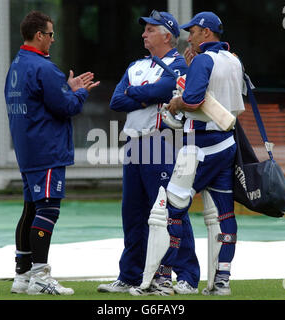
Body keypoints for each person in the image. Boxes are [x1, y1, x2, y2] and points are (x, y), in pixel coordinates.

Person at [133, 11, 245, 296]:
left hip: (200, 145)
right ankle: (222, 281)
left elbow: (194, 101)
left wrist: (175, 103)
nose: (189, 36)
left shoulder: (204, 60)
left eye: (193, 31)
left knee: (169, 209)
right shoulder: (233, 59)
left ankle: (161, 280)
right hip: (227, 144)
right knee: (223, 213)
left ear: (206, 33)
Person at [97, 10, 200, 296]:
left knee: (171, 211)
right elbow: (117, 100)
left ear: (167, 34)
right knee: (133, 213)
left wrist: (137, 93)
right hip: (133, 143)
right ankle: (131, 275)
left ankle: (185, 276)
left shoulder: (179, 64)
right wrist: (147, 93)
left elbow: (168, 88)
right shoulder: (137, 64)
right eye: (145, 30)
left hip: (161, 141)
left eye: (150, 29)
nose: (144, 33)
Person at [5, 10, 100, 295]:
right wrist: (79, 92)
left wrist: (66, 89)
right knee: (48, 210)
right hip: (46, 150)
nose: (53, 39)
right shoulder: (44, 68)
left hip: (27, 150)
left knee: (30, 208)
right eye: (50, 34)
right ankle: (41, 276)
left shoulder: (17, 64)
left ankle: (22, 277)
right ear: (38, 35)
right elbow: (67, 107)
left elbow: (46, 98)